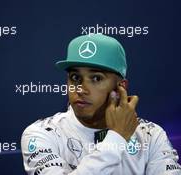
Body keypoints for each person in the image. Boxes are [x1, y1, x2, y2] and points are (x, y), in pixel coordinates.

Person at [21, 34, 181, 174]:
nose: (81, 89)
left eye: (96, 78)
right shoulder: (41, 134)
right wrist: (117, 138)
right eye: (75, 78)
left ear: (121, 88)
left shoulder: (151, 136)